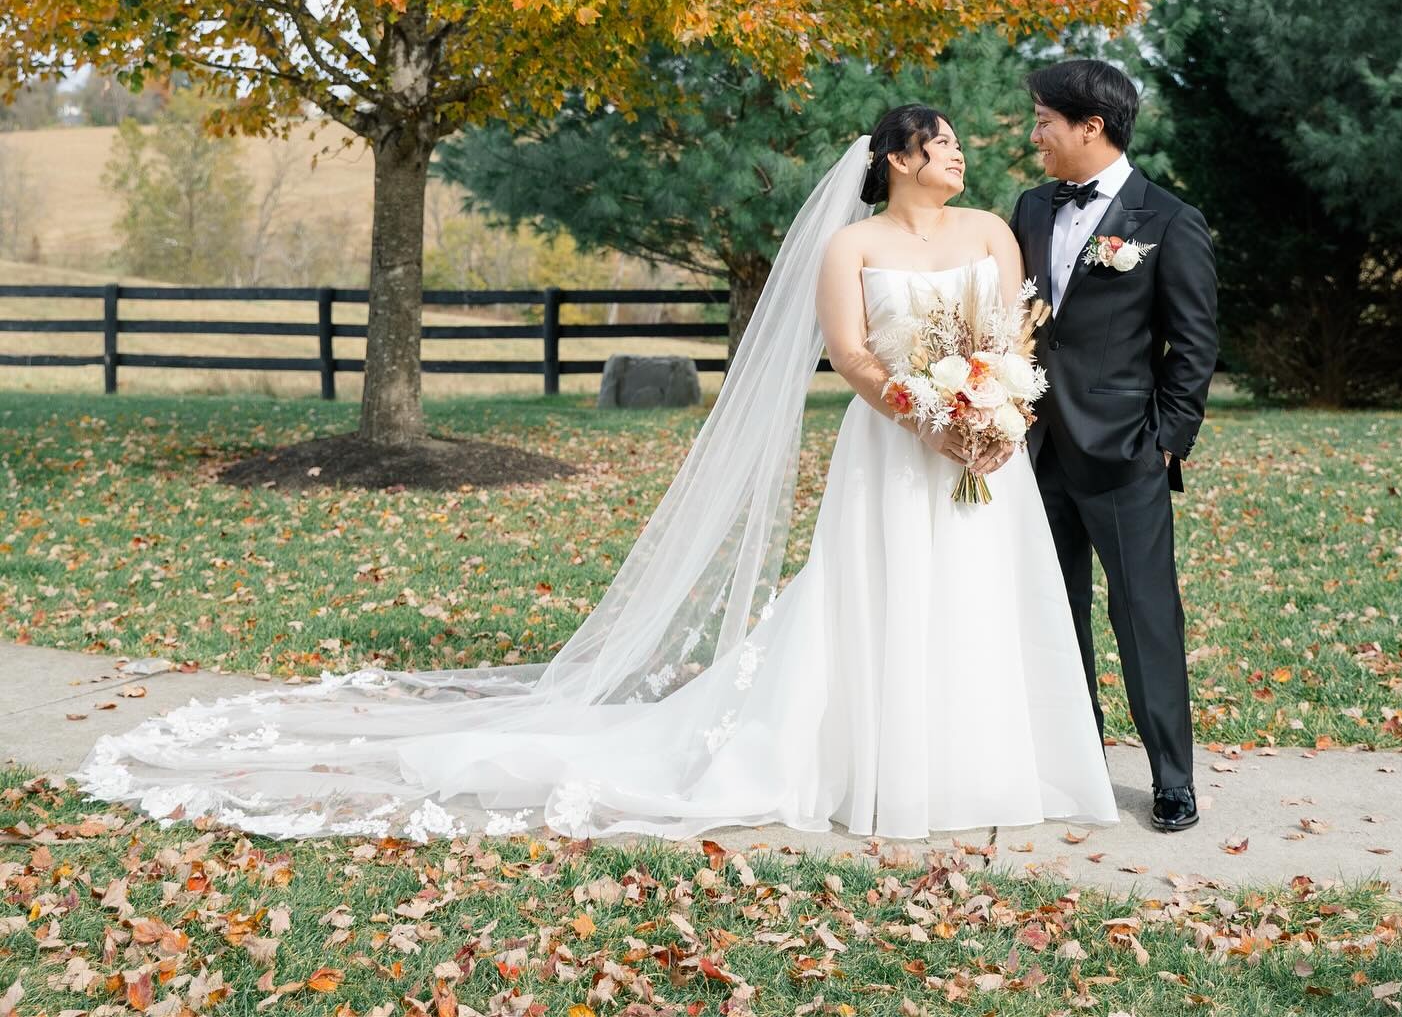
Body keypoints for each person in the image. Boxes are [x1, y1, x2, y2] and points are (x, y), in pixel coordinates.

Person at [73, 107, 1115, 843]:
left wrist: (994, 415)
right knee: (882, 601)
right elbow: (850, 354)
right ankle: (880, 770)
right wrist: (924, 415)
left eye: (960, 146)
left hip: (987, 448)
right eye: (942, 145)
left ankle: (987, 767)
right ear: (896, 156)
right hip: (896, 444)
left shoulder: (990, 233)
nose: (961, 157)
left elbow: (1010, 330)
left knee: (980, 601)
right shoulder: (851, 245)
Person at [1011, 59, 1218, 833]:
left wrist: (1167, 440)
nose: (1036, 136)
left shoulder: (1167, 219)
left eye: (1043, 122)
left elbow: (1193, 344)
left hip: (1125, 450)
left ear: (1088, 127)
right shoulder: (1031, 208)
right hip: (1035, 449)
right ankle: (1077, 760)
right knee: (1057, 611)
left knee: (1144, 613)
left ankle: (1172, 779)